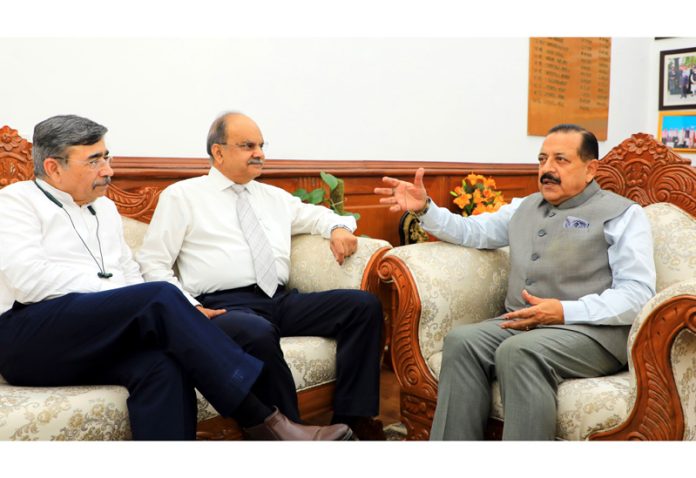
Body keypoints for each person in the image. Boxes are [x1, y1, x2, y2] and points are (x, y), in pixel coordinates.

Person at [0, 114, 354, 441]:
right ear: (52, 167)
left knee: (163, 366)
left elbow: (130, 273)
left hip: (95, 336)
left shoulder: (103, 208)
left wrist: (180, 311)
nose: (108, 169)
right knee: (156, 297)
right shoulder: (15, 202)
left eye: (107, 156)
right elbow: (29, 280)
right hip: (29, 338)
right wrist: (127, 302)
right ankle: (268, 422)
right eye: (94, 161)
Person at [375, 124, 656, 440]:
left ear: (591, 169)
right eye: (542, 159)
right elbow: (474, 232)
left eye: (560, 160)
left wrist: (564, 311)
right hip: (525, 321)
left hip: (592, 332)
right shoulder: (524, 206)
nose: (547, 169)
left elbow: (638, 294)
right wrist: (425, 209)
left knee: (518, 351)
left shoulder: (623, 215)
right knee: (462, 342)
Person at [135, 112, 385, 440]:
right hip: (224, 306)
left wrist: (338, 227)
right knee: (256, 331)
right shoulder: (183, 197)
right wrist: (189, 308)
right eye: (248, 145)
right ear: (218, 152)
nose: (260, 153)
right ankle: (296, 435)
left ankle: (352, 422)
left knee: (362, 306)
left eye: (261, 145)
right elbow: (153, 264)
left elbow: (318, 216)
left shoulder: (273, 197)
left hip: (279, 300)